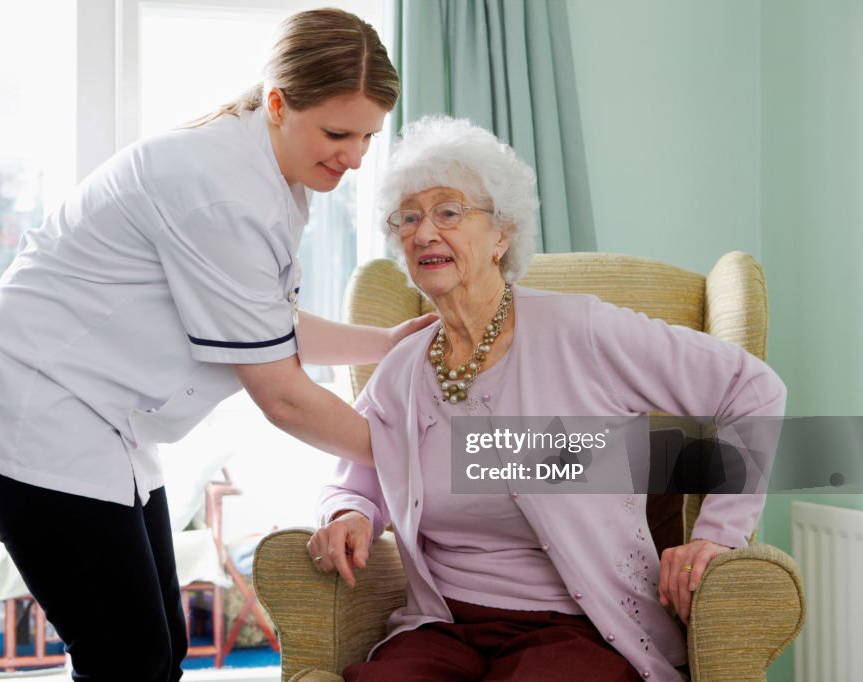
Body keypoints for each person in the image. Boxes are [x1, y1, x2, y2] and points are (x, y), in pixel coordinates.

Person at [0, 9, 433, 682]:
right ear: (279, 104)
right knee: (128, 660)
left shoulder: (270, 172)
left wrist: (388, 342)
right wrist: (439, 457)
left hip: (98, 416)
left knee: (158, 650)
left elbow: (261, 320)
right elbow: (282, 396)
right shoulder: (222, 189)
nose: (355, 157)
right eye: (339, 133)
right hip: (32, 409)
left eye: (370, 136)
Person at [307, 116, 786, 682]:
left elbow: (753, 388)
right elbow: (362, 469)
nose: (424, 233)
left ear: (502, 234)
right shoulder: (404, 369)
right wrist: (351, 513)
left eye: (449, 212)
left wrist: (715, 534)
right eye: (408, 217)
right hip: (444, 624)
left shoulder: (582, 331)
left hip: (580, 625)